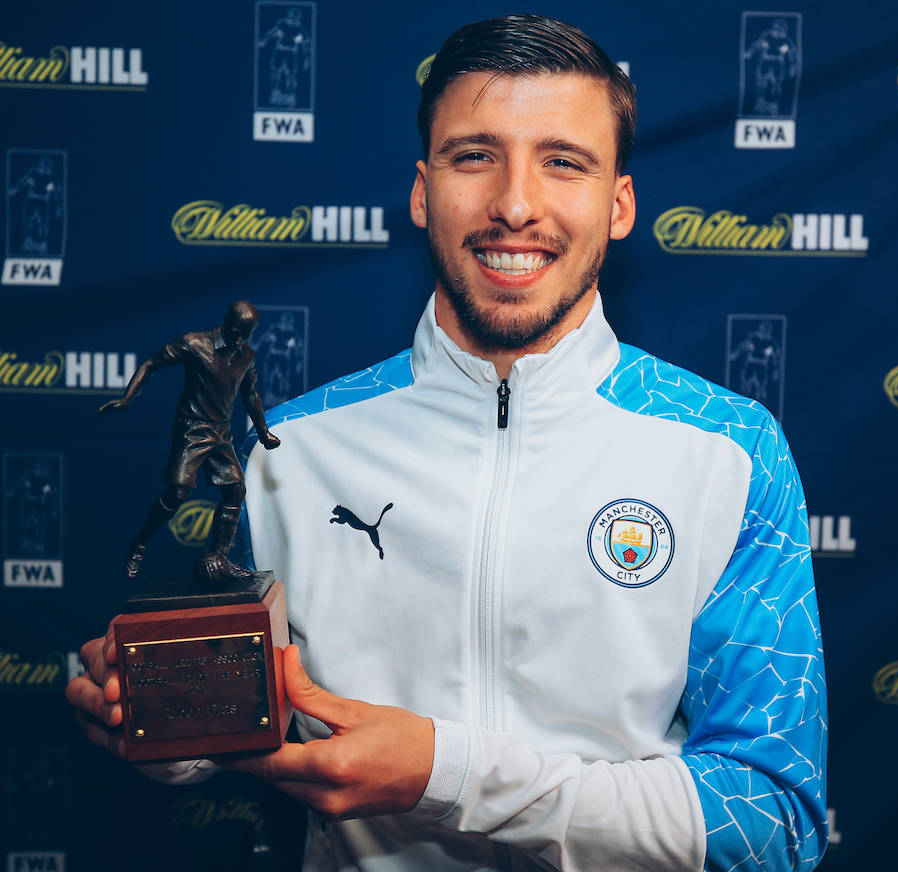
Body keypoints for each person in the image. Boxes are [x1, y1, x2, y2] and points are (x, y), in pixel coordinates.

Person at [68, 15, 827, 871]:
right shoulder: (295, 451)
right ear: (424, 192)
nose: (514, 204)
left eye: (563, 161)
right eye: (475, 156)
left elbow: (772, 826)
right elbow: (249, 717)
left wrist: (446, 772)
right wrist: (168, 726)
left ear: (619, 205)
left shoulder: (730, 449)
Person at [97, 300, 281, 582]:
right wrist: (126, 399)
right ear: (227, 322)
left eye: (248, 334)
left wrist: (263, 431)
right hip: (192, 429)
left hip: (221, 433)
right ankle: (140, 544)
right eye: (237, 332)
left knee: (235, 490)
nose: (241, 339)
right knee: (177, 492)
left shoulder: (246, 356)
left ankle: (220, 557)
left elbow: (251, 394)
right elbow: (151, 363)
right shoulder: (195, 343)